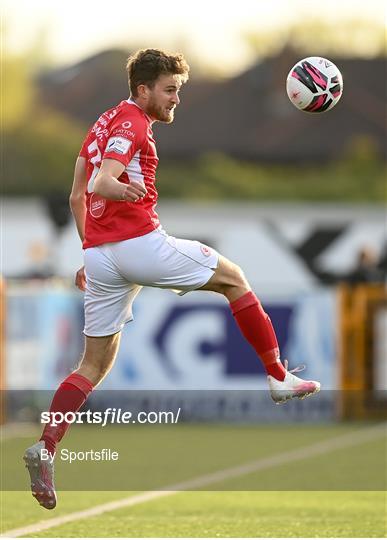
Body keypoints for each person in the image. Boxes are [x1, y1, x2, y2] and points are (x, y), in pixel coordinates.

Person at [24, 49, 320, 509]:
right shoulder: (132, 122)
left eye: (177, 90)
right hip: (138, 244)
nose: (176, 99)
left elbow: (76, 194)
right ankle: (279, 376)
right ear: (143, 90)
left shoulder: (102, 122)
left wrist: (89, 250)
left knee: (92, 366)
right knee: (234, 278)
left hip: (102, 255)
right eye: (170, 90)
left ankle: (45, 447)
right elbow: (102, 184)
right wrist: (123, 189)